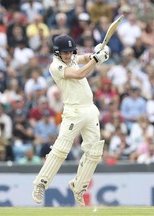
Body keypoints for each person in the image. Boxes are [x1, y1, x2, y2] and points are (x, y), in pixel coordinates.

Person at [32, 34, 109, 206]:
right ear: (57, 53)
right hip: (73, 112)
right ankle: (40, 183)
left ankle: (79, 186)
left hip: (90, 109)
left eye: (70, 52)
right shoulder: (55, 66)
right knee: (61, 149)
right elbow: (80, 73)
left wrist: (97, 54)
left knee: (94, 151)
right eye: (64, 53)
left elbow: (83, 58)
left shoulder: (72, 57)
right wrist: (96, 60)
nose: (68, 55)